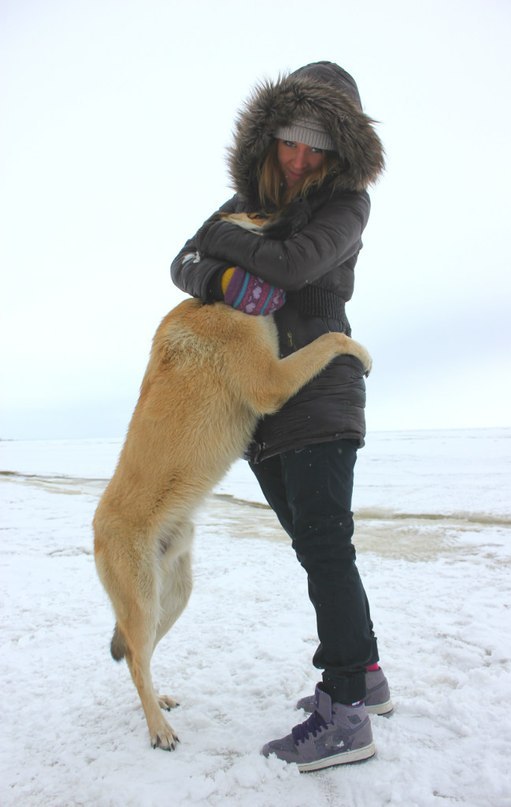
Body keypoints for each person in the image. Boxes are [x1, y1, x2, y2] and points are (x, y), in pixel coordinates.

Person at [171, 61, 392, 772]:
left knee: (327, 548)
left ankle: (345, 713)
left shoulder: (345, 206)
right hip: (258, 407)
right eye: (288, 143)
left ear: (339, 151)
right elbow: (179, 260)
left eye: (315, 146)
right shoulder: (251, 198)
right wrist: (221, 275)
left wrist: (221, 239)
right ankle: (368, 675)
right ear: (269, 140)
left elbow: (295, 265)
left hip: (321, 390)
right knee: (314, 548)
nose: (298, 159)